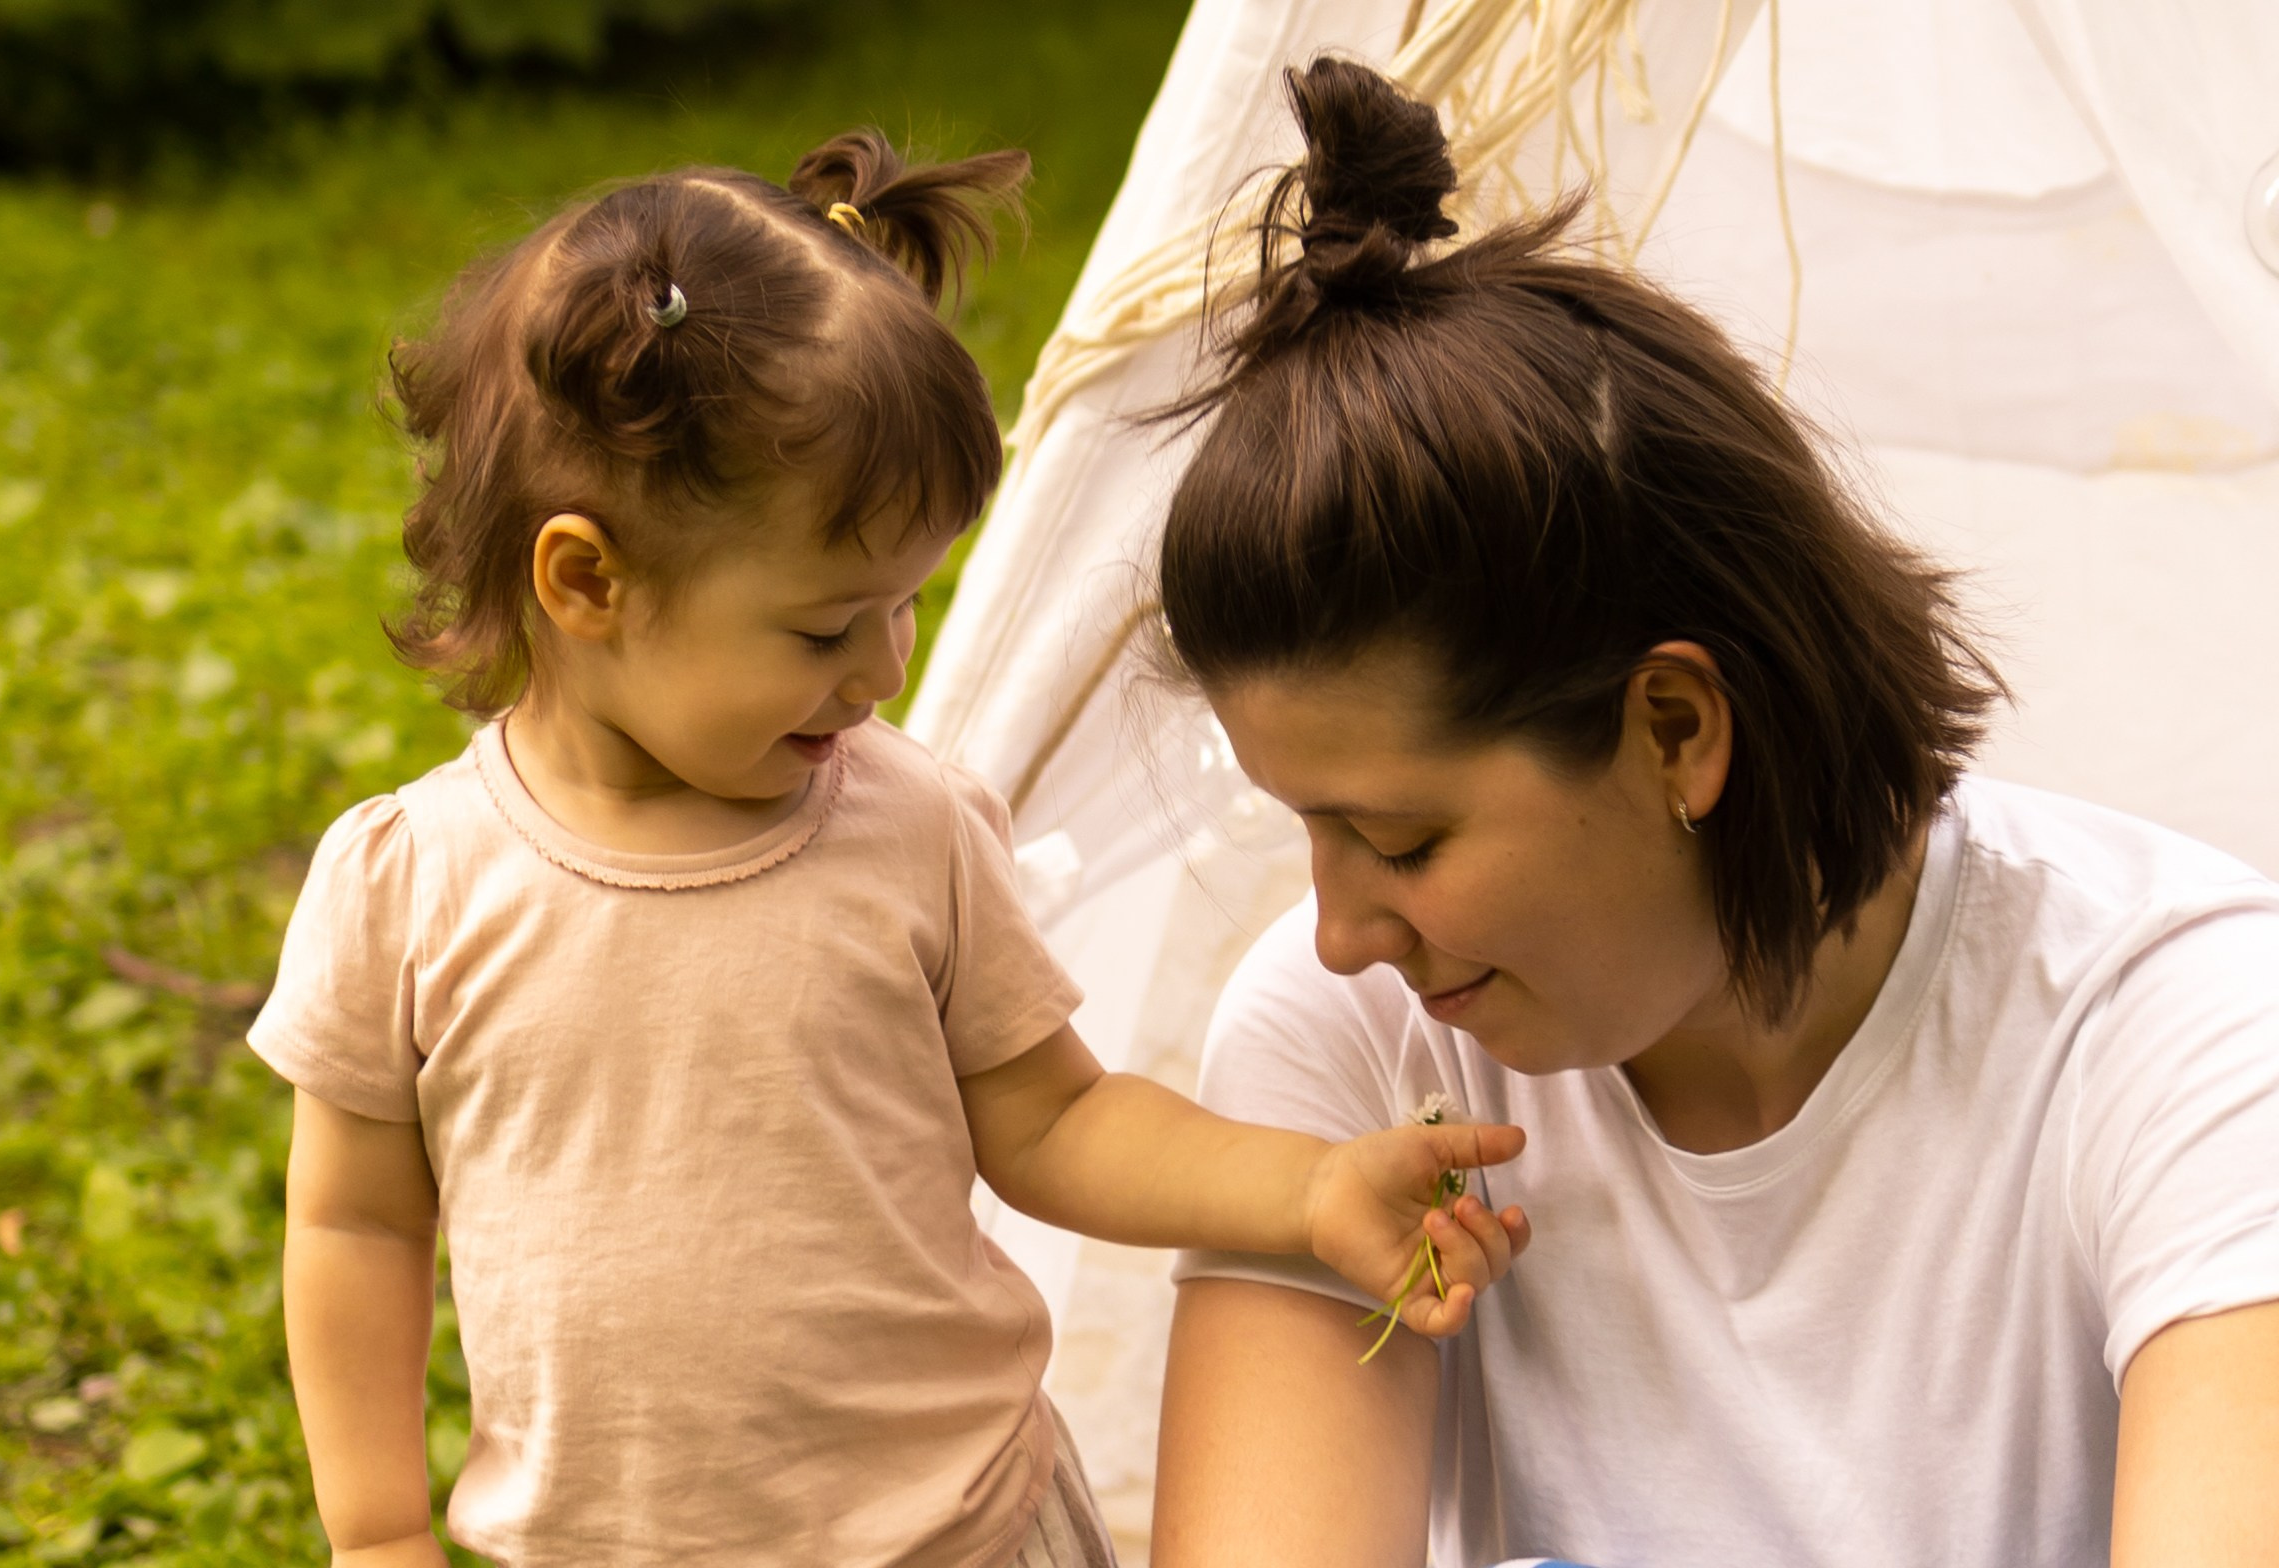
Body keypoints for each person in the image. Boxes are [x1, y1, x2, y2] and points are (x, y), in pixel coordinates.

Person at [249, 132, 1531, 1567]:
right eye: (824, 626)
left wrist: (1302, 1191)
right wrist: (372, 1535)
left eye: (908, 606)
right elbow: (357, 1224)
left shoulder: (906, 827)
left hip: (964, 1535)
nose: (885, 671)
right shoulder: (407, 888)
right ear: (586, 580)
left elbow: (1053, 1120)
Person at [1149, 56, 2279, 1568]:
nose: (1344, 932)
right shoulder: (1349, 1039)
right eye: (1309, 831)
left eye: (1403, 843)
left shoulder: (2182, 1038)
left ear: (1676, 729)